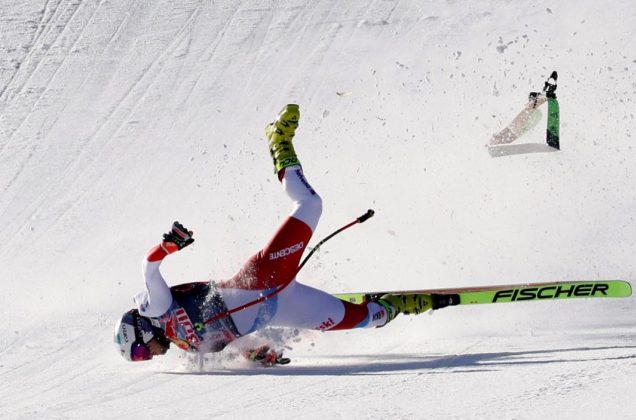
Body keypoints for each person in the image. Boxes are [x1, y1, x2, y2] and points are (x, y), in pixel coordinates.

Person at [114, 105, 432, 365]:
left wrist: (167, 246)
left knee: (310, 204)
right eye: (142, 359)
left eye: (141, 352)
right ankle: (399, 305)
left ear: (141, 331)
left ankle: (279, 143)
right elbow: (235, 340)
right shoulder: (189, 346)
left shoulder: (156, 308)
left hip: (265, 277)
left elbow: (148, 267)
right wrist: (258, 355)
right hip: (284, 306)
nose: (149, 357)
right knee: (368, 319)